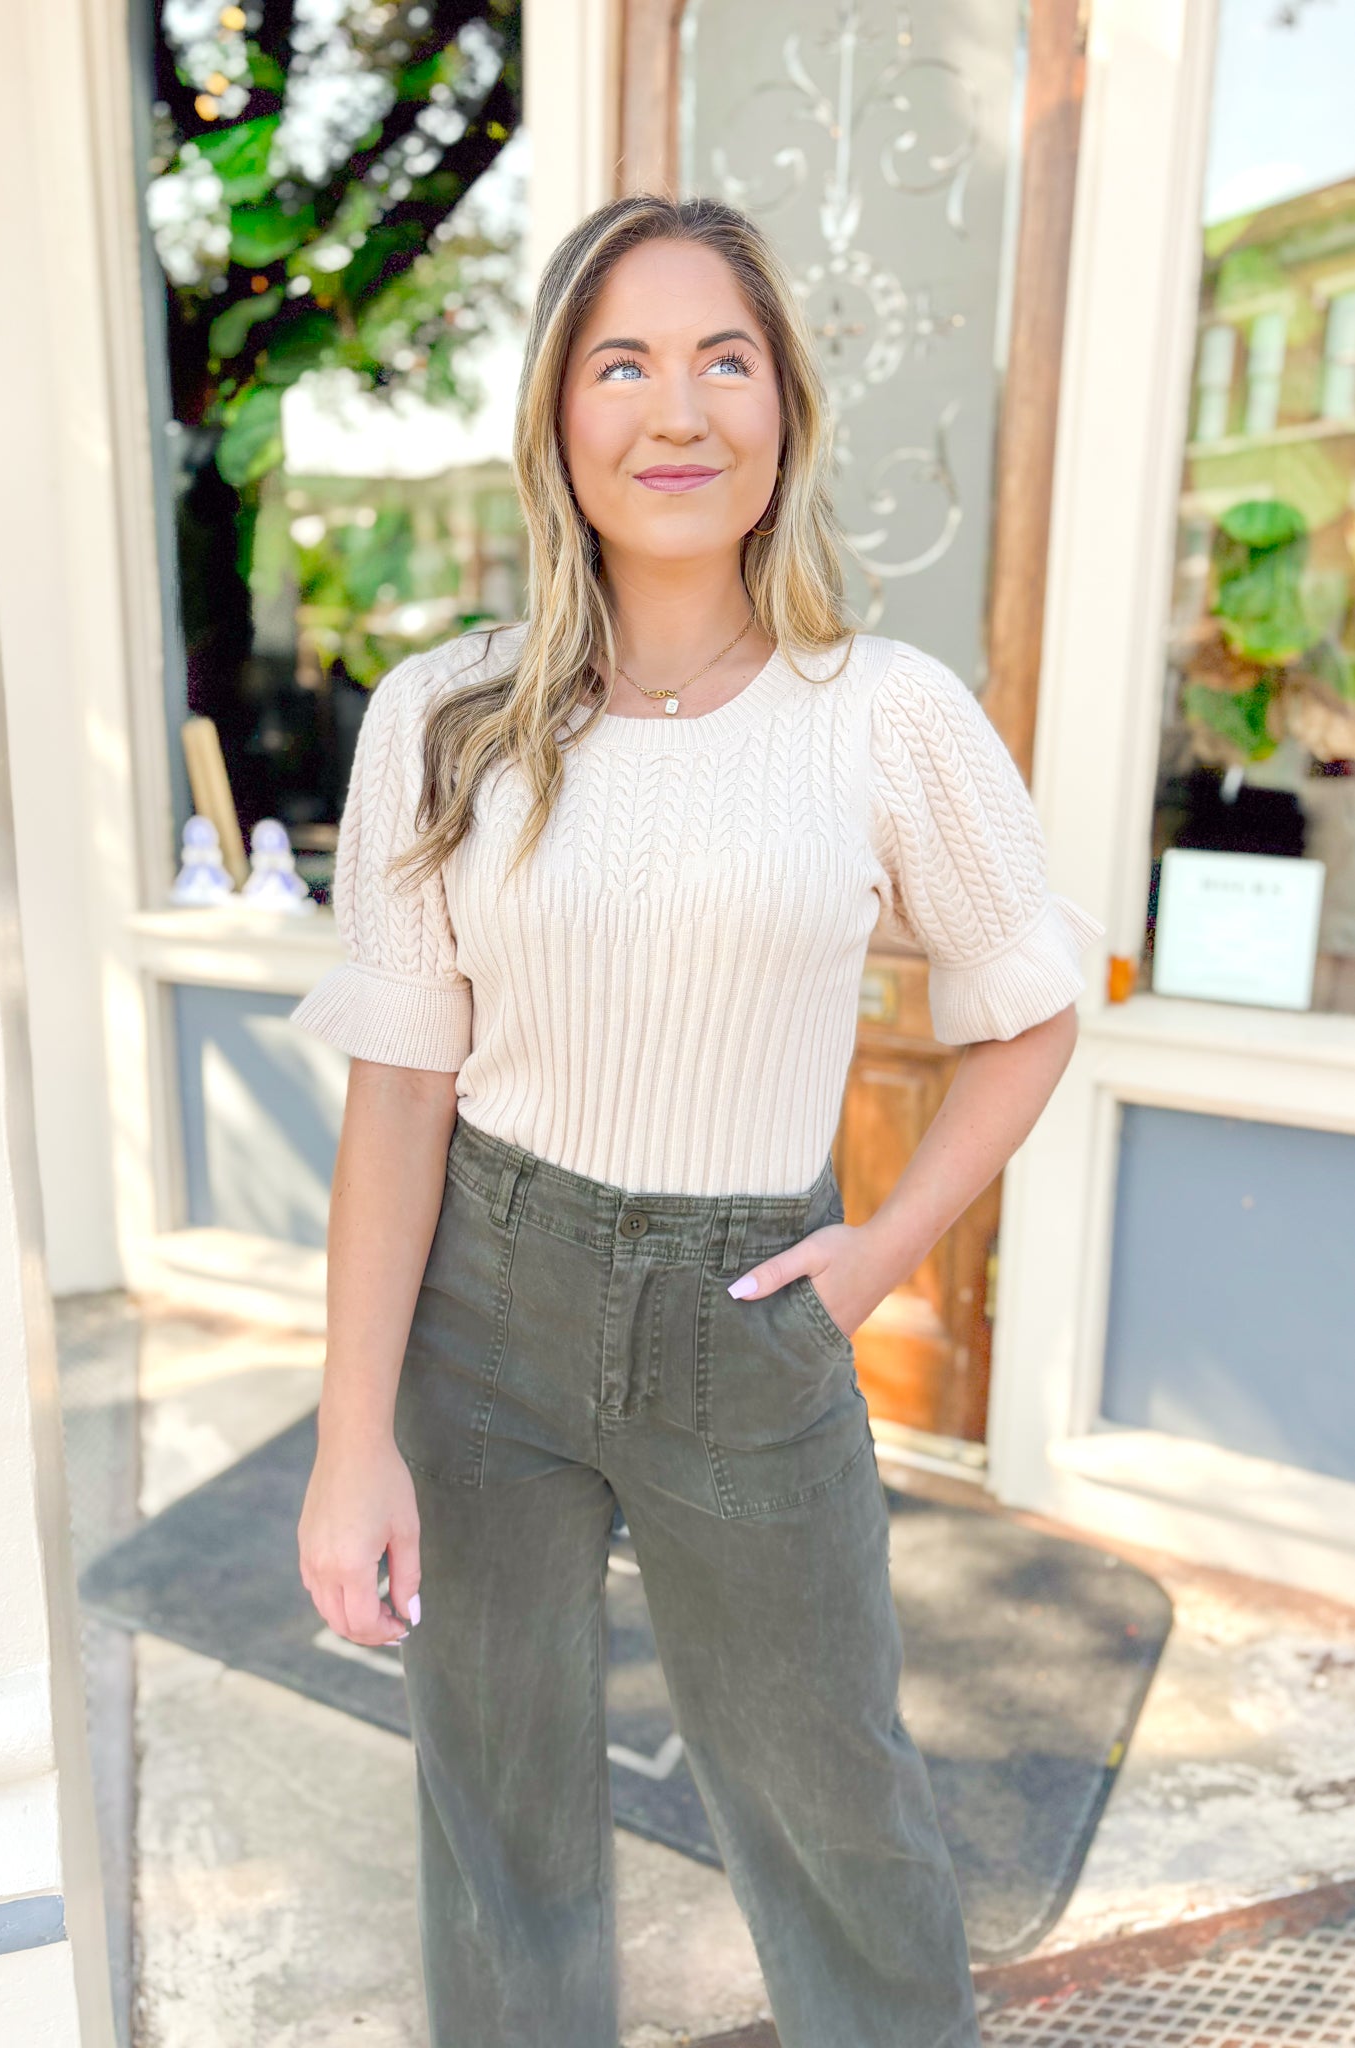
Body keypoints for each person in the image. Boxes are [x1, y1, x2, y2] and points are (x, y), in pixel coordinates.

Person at [290, 193, 1102, 2048]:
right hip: (476, 1318)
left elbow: (1031, 1009)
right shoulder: (446, 718)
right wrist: (352, 1443)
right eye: (622, 361)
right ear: (560, 418)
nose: (678, 408)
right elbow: (402, 1093)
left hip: (749, 1318)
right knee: (494, 1812)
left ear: (782, 410)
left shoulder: (882, 716)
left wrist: (883, 1255)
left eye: (722, 358)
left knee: (836, 1815)